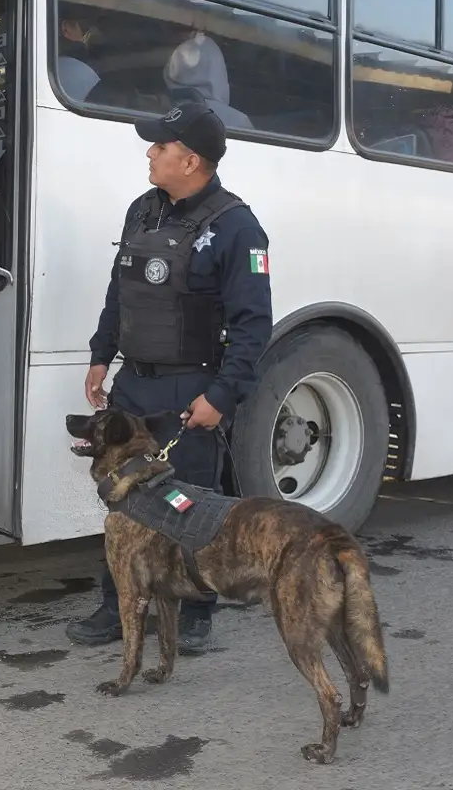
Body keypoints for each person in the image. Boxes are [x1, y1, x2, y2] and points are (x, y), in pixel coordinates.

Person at [66, 101, 273, 653]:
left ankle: (198, 609)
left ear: (193, 161)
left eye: (161, 146)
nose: (151, 153)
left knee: (189, 506)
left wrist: (222, 396)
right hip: (134, 384)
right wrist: (99, 355)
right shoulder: (143, 210)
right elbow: (121, 292)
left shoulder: (237, 228)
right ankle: (117, 606)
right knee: (123, 500)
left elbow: (254, 326)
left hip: (191, 390)